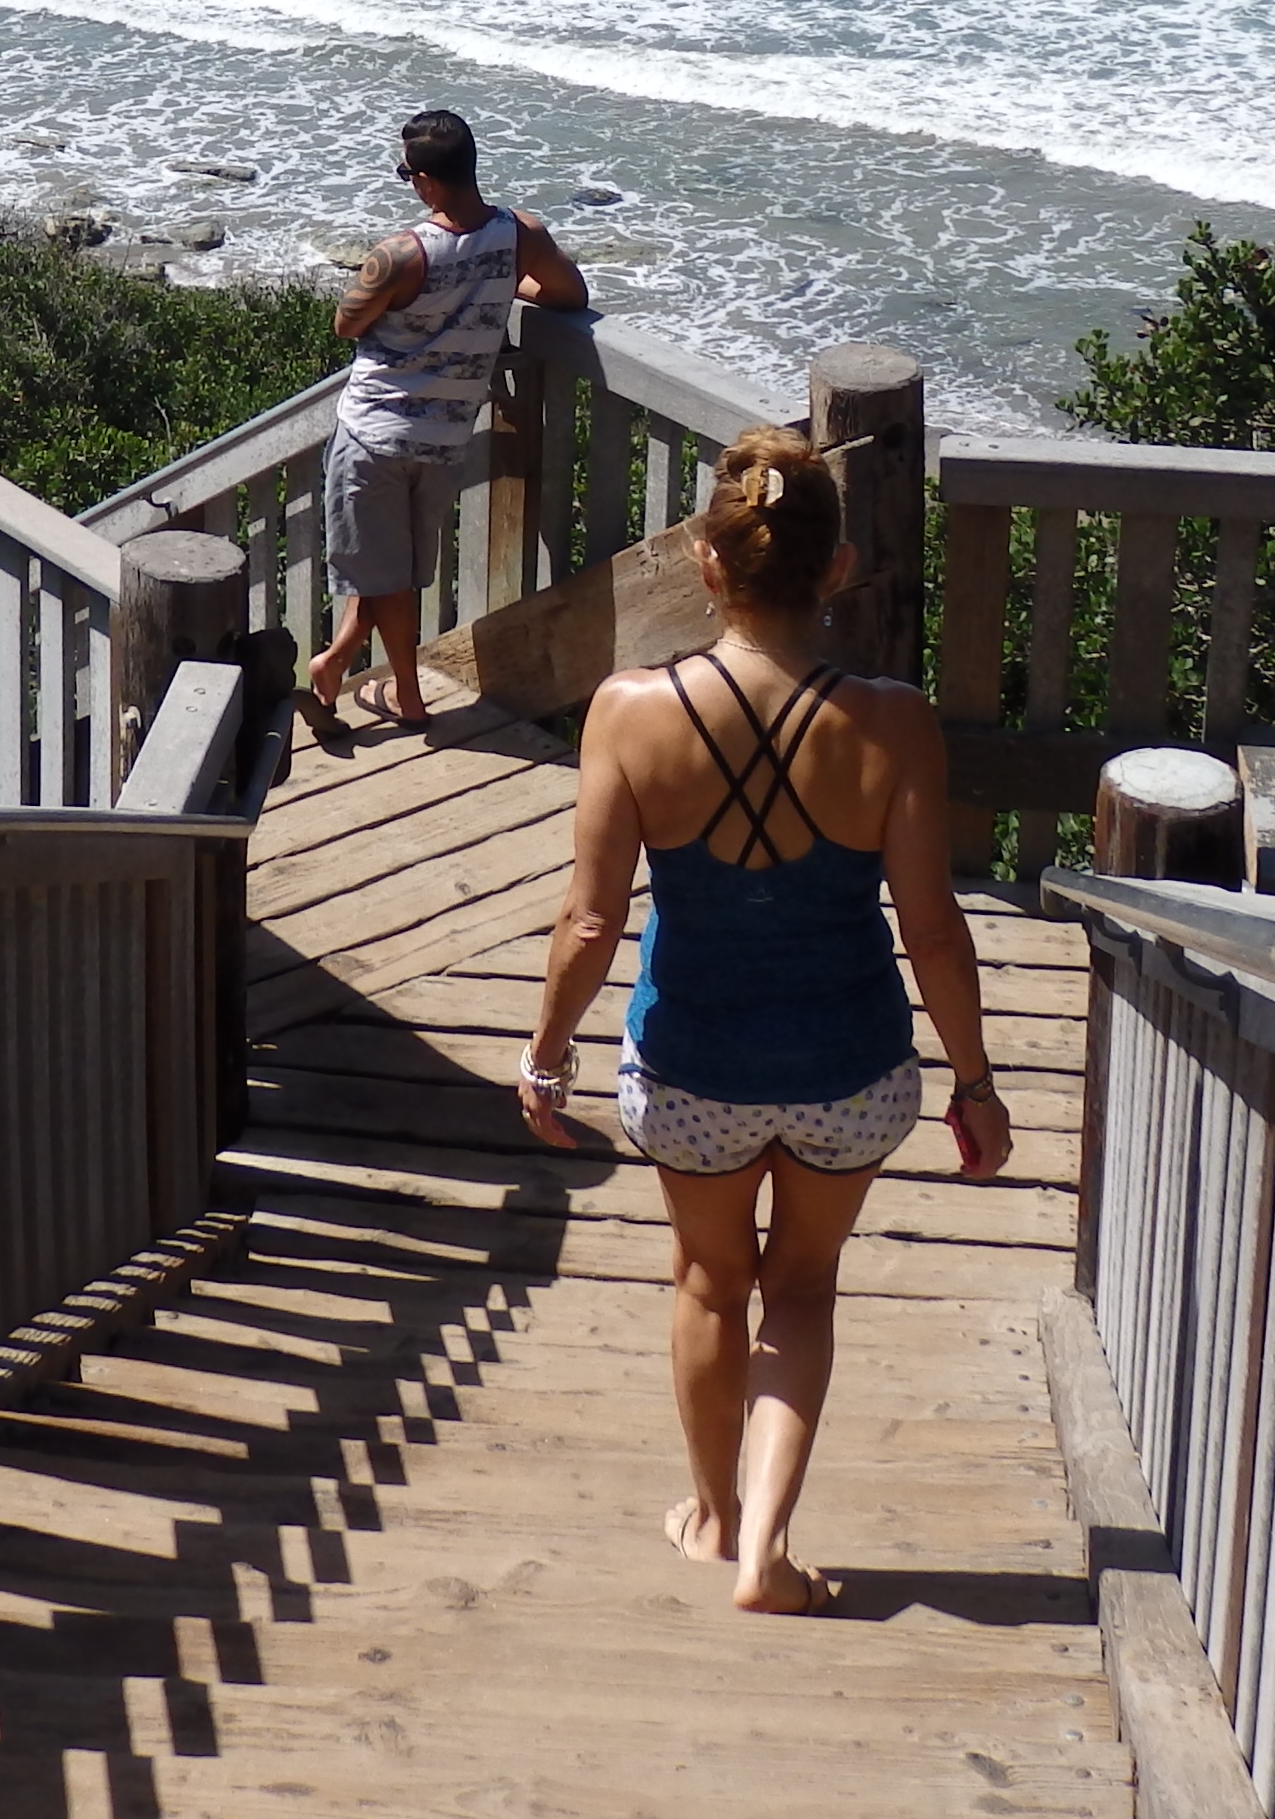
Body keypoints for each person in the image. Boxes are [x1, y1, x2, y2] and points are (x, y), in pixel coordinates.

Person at [515, 426, 1011, 1615]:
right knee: (802, 1290)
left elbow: (591, 921)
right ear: (836, 568)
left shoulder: (630, 710)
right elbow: (934, 931)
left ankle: (714, 1518)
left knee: (706, 1281)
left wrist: (546, 1058)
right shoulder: (893, 721)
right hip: (852, 1069)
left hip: (693, 1068)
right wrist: (976, 1082)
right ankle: (769, 1547)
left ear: (707, 563)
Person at [306, 109, 589, 727]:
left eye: (407, 174)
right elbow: (571, 294)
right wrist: (499, 286)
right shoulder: (520, 234)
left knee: (385, 572)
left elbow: (346, 324)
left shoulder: (399, 255)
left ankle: (406, 696)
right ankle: (338, 659)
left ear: (427, 181)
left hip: (374, 434)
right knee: (396, 569)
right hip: (445, 437)